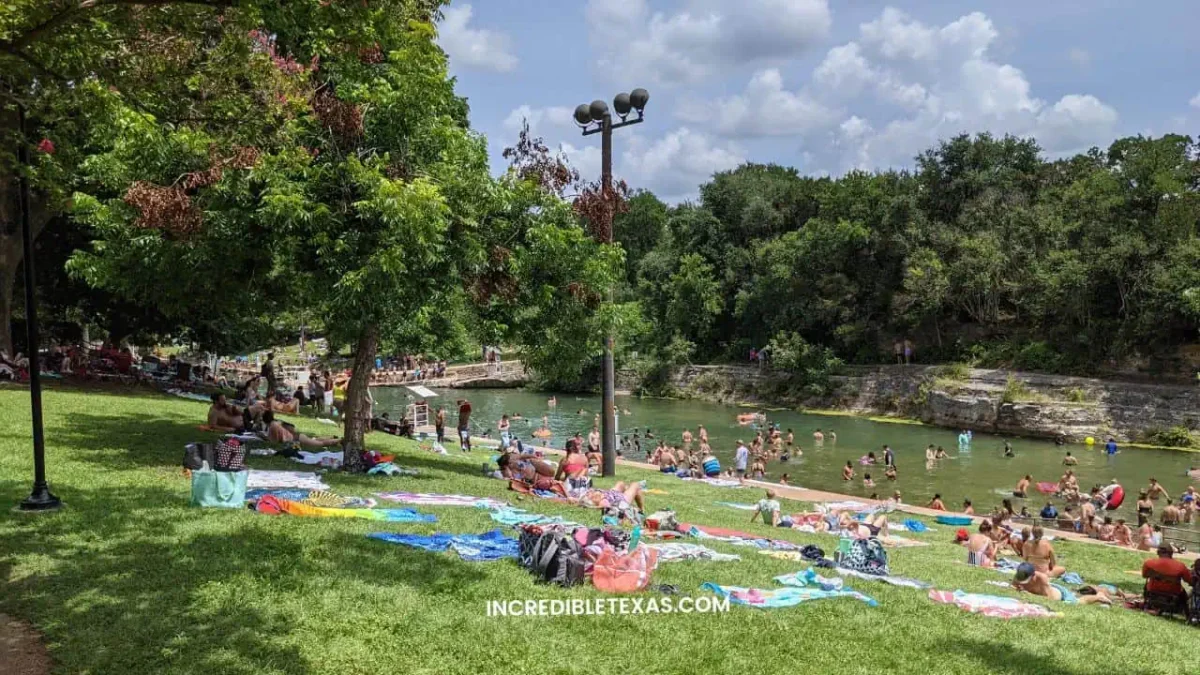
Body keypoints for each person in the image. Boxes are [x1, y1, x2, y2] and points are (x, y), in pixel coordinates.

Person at [1013, 563, 1111, 605]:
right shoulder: (1019, 575)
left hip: (1060, 594)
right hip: (1048, 591)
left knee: (1078, 602)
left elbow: (1050, 599)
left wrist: (1029, 595)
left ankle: (1099, 596)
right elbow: (1013, 586)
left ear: (1033, 575)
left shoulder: (1041, 578)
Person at [1142, 543, 1193, 613]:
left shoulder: (1148, 563)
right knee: (1183, 593)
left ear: (1158, 552)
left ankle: (1147, 605)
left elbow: (1144, 575)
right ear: (1171, 553)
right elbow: (1189, 580)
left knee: (1147, 584)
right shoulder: (1181, 566)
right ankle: (1186, 612)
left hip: (1152, 590)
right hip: (1173, 592)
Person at [264, 411, 338, 448]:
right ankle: (332, 437)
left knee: (321, 444)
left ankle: (341, 440)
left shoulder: (273, 426)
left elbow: (276, 441)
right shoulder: (276, 422)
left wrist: (264, 438)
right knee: (315, 440)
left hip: (298, 440)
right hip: (298, 437)